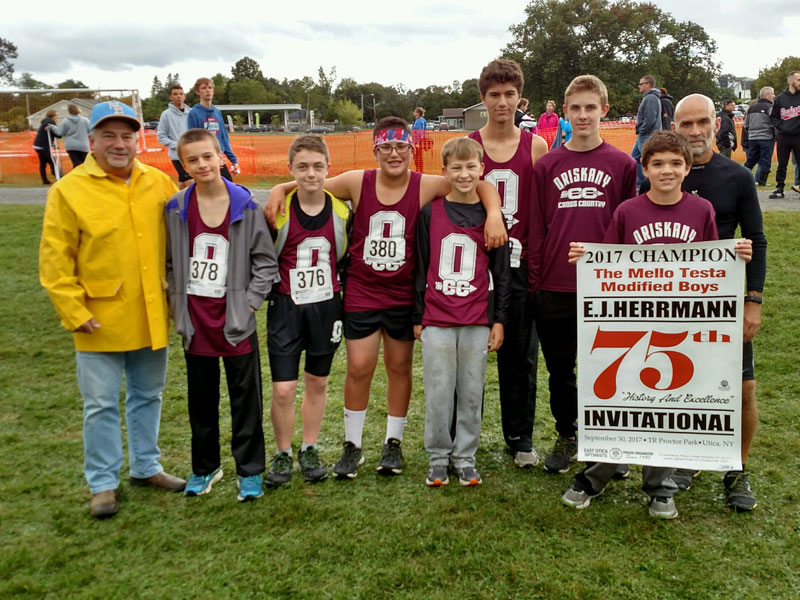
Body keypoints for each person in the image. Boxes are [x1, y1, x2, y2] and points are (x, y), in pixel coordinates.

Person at [265, 117, 506, 480]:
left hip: (402, 293)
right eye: (386, 147)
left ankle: (393, 442)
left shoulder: (424, 184)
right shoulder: (357, 181)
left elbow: (477, 182)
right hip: (363, 291)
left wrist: (494, 213)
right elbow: (312, 180)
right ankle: (352, 444)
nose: (394, 154)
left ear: (412, 150)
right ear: (375, 150)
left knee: (399, 367)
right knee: (359, 367)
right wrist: (278, 188)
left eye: (401, 147)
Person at [562, 131, 752, 519]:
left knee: (667, 403)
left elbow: (712, 264)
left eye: (676, 163)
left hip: (678, 327)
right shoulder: (628, 211)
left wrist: (736, 254)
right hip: (630, 324)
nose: (667, 170)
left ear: (687, 168)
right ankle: (595, 475)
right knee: (619, 398)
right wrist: (587, 256)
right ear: (644, 169)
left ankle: (660, 486)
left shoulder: (701, 211)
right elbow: (607, 261)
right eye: (658, 163)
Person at [39, 101, 186, 519]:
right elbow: (55, 260)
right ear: (91, 141)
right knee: (100, 404)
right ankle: (103, 483)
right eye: (109, 136)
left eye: (126, 136)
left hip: (151, 313)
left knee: (148, 395)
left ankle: (146, 466)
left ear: (138, 141)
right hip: (97, 319)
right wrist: (73, 311)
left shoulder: (159, 183)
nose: (119, 144)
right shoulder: (68, 190)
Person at [641, 93, 767, 511]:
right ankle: (686, 459)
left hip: (719, 302)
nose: (695, 131)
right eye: (686, 124)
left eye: (702, 122)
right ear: (674, 127)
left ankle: (737, 469)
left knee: (742, 389)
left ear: (718, 123)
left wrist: (752, 300)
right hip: (666, 305)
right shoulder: (657, 175)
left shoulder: (737, 177)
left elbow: (756, 239)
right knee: (677, 384)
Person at [528, 74, 637, 474]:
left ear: (604, 110)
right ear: (565, 112)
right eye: (575, 108)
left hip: (604, 286)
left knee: (607, 367)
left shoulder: (623, 164)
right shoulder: (547, 165)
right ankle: (567, 432)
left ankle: (608, 442)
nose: (583, 115)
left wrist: (623, 280)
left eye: (591, 107)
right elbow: (536, 227)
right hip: (555, 284)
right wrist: (536, 283)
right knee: (561, 369)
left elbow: (628, 227)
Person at [165, 128, 277, 502]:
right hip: (195, 321)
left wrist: (249, 304)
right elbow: (169, 262)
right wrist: (175, 302)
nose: (201, 164)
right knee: (201, 400)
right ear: (183, 165)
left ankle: (250, 470)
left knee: (246, 399)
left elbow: (265, 262)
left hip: (235, 322)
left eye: (207, 156)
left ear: (220, 157)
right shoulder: (175, 208)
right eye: (192, 159)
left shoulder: (245, 206)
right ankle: (205, 467)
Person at [414, 137, 511, 487]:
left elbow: (501, 273)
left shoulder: (492, 216)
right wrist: (418, 316)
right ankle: (438, 457)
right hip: (438, 316)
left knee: (471, 391)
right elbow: (420, 266)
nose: (464, 174)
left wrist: (499, 320)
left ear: (482, 169)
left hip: (476, 318)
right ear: (444, 171)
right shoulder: (431, 213)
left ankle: (465, 457)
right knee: (439, 391)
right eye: (456, 167)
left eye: (471, 167)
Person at [468, 58, 548, 468]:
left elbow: (542, 208)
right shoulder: (468, 145)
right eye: (494, 95)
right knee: (469, 356)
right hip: (475, 268)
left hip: (520, 264)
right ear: (483, 99)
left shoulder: (536, 145)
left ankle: (520, 437)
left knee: (520, 355)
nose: (502, 102)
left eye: (509, 94)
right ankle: (463, 437)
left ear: (520, 97)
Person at [265, 135, 352, 487]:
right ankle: (283, 452)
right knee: (284, 389)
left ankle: (309, 448)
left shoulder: (342, 211)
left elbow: (345, 257)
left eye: (317, 166)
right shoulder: (278, 210)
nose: (310, 174)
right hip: (286, 308)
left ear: (329, 168)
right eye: (302, 167)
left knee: (317, 381)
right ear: (290, 169)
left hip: (326, 307)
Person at [187, 77, 239, 181]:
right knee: (206, 188)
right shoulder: (194, 113)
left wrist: (233, 160)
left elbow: (223, 137)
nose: (208, 90)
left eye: (210, 88)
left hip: (219, 158)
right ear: (198, 92)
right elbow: (193, 140)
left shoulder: (217, 112)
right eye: (204, 88)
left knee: (228, 187)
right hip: (205, 160)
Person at [768, 70, 800, 199]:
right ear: (790, 81)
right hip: (784, 136)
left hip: (798, 136)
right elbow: (773, 117)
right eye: (798, 80)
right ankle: (779, 189)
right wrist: (782, 127)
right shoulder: (780, 98)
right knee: (782, 164)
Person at [157, 84, 193, 189]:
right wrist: (177, 145)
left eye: (181, 94)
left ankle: (173, 198)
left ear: (184, 96)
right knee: (193, 185)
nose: (178, 96)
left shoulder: (191, 113)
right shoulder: (166, 115)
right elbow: (161, 136)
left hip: (192, 154)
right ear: (170, 97)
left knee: (183, 187)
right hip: (177, 156)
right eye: (175, 94)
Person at [632, 75, 662, 188]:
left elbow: (650, 119)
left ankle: (647, 184)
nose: (639, 86)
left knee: (647, 160)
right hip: (645, 134)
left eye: (641, 84)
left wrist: (642, 130)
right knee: (634, 158)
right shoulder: (650, 97)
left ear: (648, 85)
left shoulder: (650, 98)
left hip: (647, 135)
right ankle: (640, 184)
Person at [743, 87, 776, 186]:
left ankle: (743, 179)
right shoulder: (770, 107)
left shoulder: (751, 108)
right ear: (767, 95)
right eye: (772, 93)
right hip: (766, 138)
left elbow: (746, 125)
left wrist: (751, 134)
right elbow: (773, 123)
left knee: (750, 161)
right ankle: (762, 182)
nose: (774, 96)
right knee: (765, 161)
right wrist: (774, 135)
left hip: (753, 138)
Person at [52, 104, 91, 168]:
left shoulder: (65, 121)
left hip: (71, 146)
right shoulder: (85, 120)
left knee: (76, 163)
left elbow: (59, 133)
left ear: (69, 111)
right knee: (86, 163)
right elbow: (91, 130)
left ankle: (76, 173)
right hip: (83, 145)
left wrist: (53, 127)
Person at [32, 109, 58, 184]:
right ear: (52, 116)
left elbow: (49, 134)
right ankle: (58, 176)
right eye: (56, 115)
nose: (57, 117)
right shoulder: (50, 122)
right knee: (52, 162)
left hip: (38, 145)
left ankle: (45, 180)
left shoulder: (45, 122)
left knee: (43, 162)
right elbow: (56, 134)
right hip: (43, 146)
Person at [411, 107, 428, 173]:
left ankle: (419, 170)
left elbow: (419, 132)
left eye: (415, 111)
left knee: (417, 157)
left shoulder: (419, 121)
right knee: (418, 156)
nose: (413, 113)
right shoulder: (422, 120)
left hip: (418, 141)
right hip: (419, 140)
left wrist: (418, 142)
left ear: (418, 113)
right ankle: (419, 170)